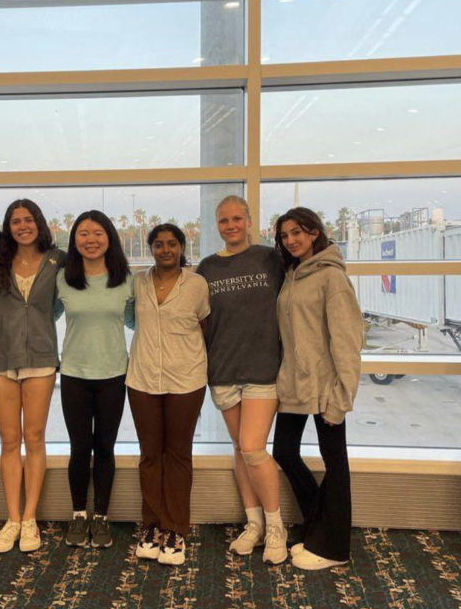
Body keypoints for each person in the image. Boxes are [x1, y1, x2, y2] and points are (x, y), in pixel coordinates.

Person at [196, 195, 288, 564]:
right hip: (223, 372)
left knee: (252, 446)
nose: (231, 225)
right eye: (223, 221)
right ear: (216, 226)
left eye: (237, 218)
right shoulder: (206, 268)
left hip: (264, 370)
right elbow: (201, 322)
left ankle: (276, 526)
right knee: (239, 448)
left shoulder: (271, 259)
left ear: (250, 221)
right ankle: (254, 524)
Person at [273, 207, 363, 570]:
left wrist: (343, 394)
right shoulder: (292, 274)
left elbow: (347, 339)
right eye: (284, 235)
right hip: (293, 384)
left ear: (314, 233)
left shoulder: (331, 278)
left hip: (326, 387)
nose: (291, 240)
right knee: (283, 450)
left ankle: (335, 548)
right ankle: (318, 527)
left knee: (335, 465)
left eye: (298, 232)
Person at [0, 200, 66, 554]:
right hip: (2, 357)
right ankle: (12, 519)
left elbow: (68, 298)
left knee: (34, 437)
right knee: (9, 440)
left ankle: (30, 518)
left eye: (28, 219)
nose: (22, 226)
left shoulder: (57, 259)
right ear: (8, 227)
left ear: (39, 222)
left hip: (41, 358)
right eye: (15, 221)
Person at [127, 223, 210, 566]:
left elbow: (204, 328)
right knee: (150, 455)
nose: (165, 250)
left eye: (171, 244)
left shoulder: (197, 285)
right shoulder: (138, 283)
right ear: (151, 248)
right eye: (159, 244)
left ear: (181, 247)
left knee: (178, 455)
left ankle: (175, 529)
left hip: (186, 379)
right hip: (143, 378)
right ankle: (151, 526)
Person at [56, 210, 134, 549]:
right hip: (73, 374)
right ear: (75, 240)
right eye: (83, 233)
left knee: (105, 447)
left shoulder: (126, 280)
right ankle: (77, 515)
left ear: (109, 237)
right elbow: (44, 318)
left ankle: (100, 517)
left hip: (114, 374)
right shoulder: (63, 278)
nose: (91, 239)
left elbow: (138, 323)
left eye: (98, 233)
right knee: (78, 448)